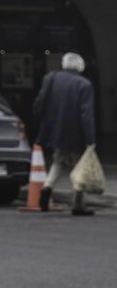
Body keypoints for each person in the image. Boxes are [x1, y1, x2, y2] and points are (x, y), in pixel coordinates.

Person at [33, 52, 96, 216]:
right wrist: (90, 139)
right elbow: (86, 114)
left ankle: (47, 188)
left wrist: (41, 123)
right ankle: (78, 203)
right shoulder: (84, 84)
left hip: (55, 130)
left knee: (58, 161)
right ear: (80, 66)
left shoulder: (51, 78)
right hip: (76, 133)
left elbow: (39, 103)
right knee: (79, 167)